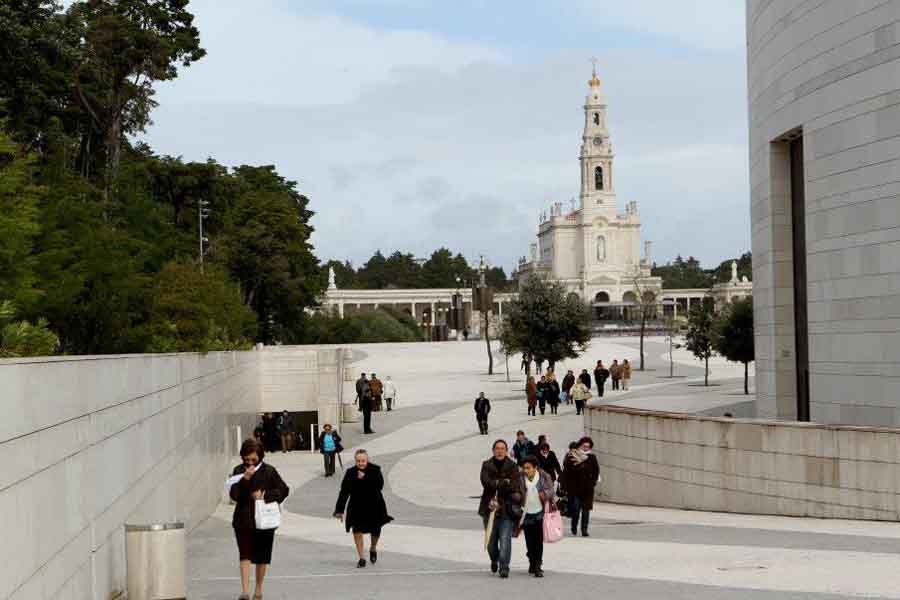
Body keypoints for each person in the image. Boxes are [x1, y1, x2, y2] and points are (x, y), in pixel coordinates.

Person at [228, 438, 289, 600]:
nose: (250, 463)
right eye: (246, 459)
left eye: (253, 459)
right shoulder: (238, 470)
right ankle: (245, 592)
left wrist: (265, 495)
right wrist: (245, 479)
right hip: (243, 520)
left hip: (265, 521)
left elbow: (284, 490)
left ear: (260, 457)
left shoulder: (269, 471)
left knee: (262, 557)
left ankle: (258, 590)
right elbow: (234, 495)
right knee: (245, 555)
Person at [334, 449, 393, 568]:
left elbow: (379, 486)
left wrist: (365, 477)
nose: (361, 463)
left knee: (375, 530)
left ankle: (373, 547)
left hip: (374, 505)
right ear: (355, 461)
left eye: (363, 461)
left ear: (367, 460)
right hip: (356, 506)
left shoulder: (375, 470)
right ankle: (361, 558)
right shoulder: (350, 472)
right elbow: (344, 491)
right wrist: (339, 510)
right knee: (357, 530)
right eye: (358, 461)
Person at [478, 439, 523, 579]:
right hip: (489, 508)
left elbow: (514, 485)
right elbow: (486, 483)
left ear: (506, 450)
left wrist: (497, 483)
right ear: (493, 450)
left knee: (505, 540)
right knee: (491, 542)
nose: (499, 451)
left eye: (502, 448)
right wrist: (503, 482)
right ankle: (494, 558)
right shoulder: (486, 465)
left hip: (506, 510)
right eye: (497, 448)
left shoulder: (513, 466)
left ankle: (504, 567)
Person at [519, 456, 556, 577]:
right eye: (524, 468)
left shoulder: (544, 476)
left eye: (528, 468)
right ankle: (531, 560)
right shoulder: (520, 478)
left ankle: (538, 565)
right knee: (529, 541)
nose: (526, 470)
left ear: (535, 468)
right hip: (526, 513)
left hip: (540, 513)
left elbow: (551, 491)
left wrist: (543, 494)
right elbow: (516, 492)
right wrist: (518, 498)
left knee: (538, 541)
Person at [560, 436, 600, 537]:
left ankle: (584, 530)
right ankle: (574, 526)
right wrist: (565, 486)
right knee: (576, 509)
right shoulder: (572, 456)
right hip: (575, 488)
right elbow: (566, 471)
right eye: (584, 446)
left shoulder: (592, 457)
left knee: (586, 510)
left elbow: (596, 471)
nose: (586, 448)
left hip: (587, 489)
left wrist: (592, 483)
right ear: (580, 445)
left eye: (588, 446)